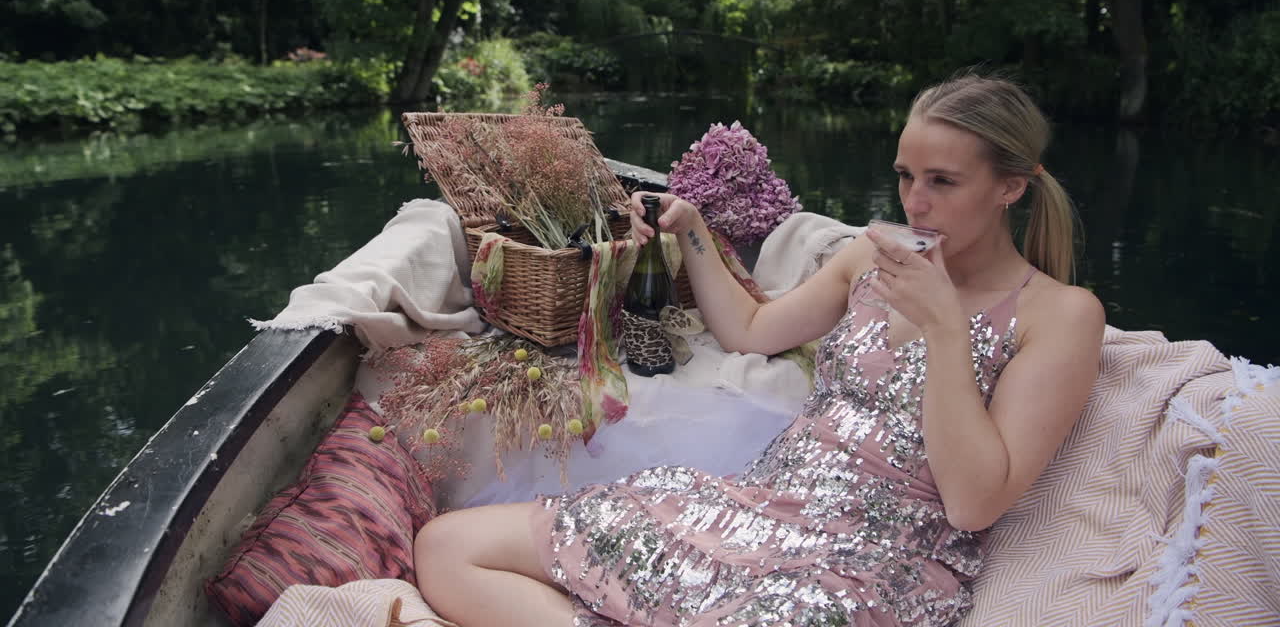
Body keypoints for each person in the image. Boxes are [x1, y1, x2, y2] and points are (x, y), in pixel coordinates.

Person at [412, 72, 1106, 627]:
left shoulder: (1060, 315)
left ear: (1010, 187)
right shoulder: (872, 254)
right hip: (755, 508)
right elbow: (750, 329)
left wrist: (946, 329)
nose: (915, 203)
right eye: (905, 176)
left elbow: (975, 503)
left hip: (869, 564)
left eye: (942, 182)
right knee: (448, 550)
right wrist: (692, 231)